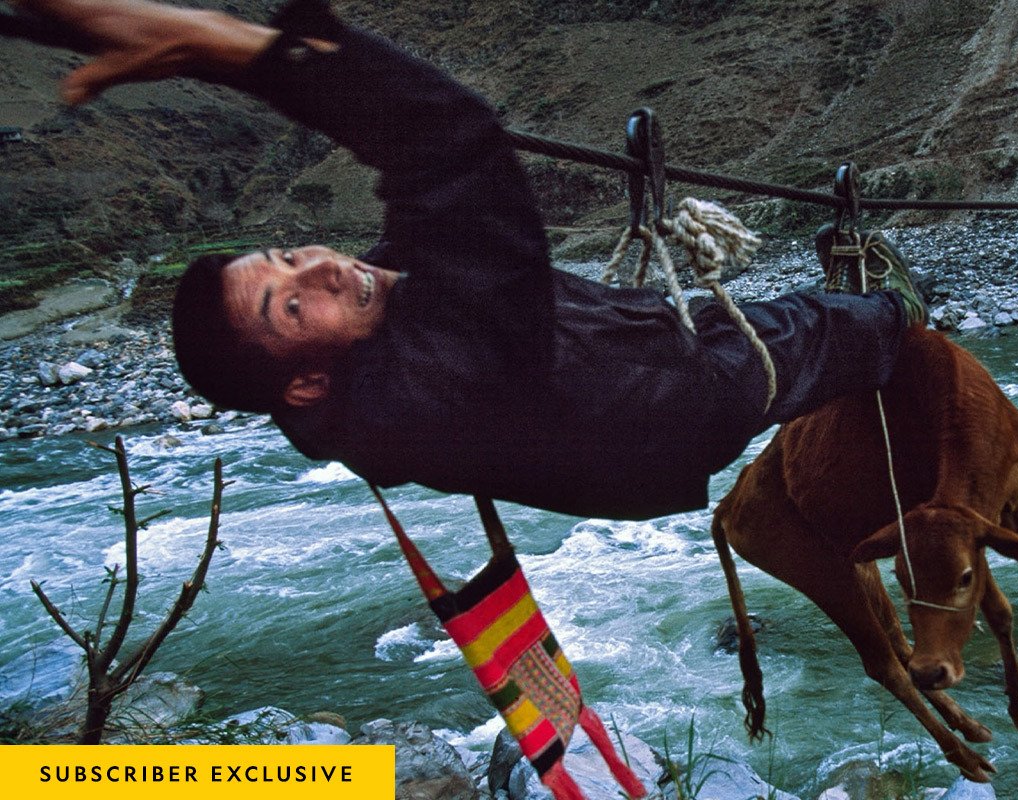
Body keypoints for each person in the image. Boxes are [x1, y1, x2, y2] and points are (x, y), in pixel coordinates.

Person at [15, 0, 927, 520]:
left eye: (291, 254)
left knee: (758, 320)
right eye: (290, 308)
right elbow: (453, 149)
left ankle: (864, 301)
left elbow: (419, 211)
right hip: (673, 407)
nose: (322, 269)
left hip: (612, 360)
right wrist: (228, 46)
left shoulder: (369, 349)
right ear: (302, 383)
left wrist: (266, 61)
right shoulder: (423, 390)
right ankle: (900, 310)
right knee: (822, 329)